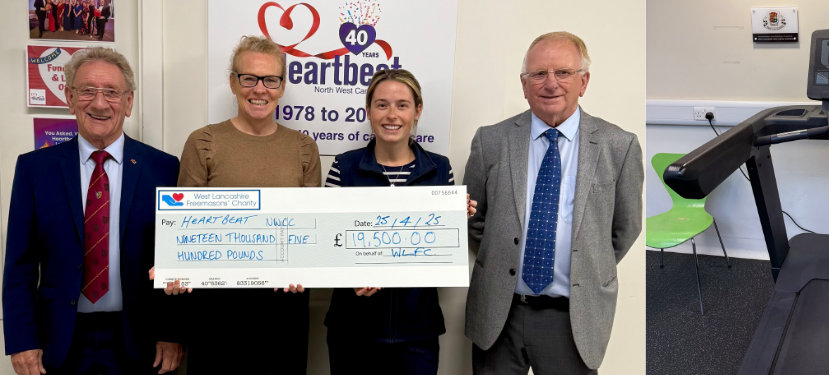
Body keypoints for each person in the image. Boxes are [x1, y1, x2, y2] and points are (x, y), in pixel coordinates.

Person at [465, 31, 643, 374]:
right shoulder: (491, 140)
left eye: (563, 72)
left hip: (574, 318)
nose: (550, 83)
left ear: (584, 81)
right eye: (538, 74)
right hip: (500, 314)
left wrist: (584, 262)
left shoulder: (618, 146)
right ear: (524, 83)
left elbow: (626, 227)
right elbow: (473, 216)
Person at [3, 47, 184, 375]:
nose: (100, 104)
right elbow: (20, 263)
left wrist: (171, 334)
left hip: (139, 342)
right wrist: (20, 340)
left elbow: (174, 259)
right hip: (58, 342)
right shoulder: (34, 169)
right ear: (69, 98)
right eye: (87, 91)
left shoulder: (164, 168)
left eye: (112, 93)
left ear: (128, 102)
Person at [174, 35, 319, 374]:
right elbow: (182, 230)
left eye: (270, 80)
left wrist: (306, 267)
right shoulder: (203, 142)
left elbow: (310, 231)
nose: (260, 89)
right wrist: (175, 264)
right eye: (249, 78)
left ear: (282, 87)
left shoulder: (304, 148)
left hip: (284, 306)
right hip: (216, 308)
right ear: (233, 83)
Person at [321, 68, 476, 374]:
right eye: (382, 104)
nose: (392, 115)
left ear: (417, 111)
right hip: (353, 330)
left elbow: (442, 248)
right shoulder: (344, 167)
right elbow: (326, 242)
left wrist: (458, 220)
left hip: (418, 331)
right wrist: (346, 277)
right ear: (369, 111)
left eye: (402, 105)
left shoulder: (439, 169)